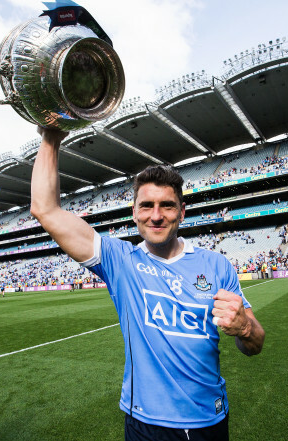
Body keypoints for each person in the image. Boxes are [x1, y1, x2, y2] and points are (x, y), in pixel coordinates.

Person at [31, 127, 265, 441]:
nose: (156, 216)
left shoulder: (216, 264)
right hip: (144, 424)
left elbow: (255, 344)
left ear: (182, 212)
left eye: (167, 205)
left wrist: (245, 328)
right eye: (146, 206)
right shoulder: (119, 260)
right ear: (134, 213)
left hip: (208, 420)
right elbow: (45, 209)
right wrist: (51, 137)